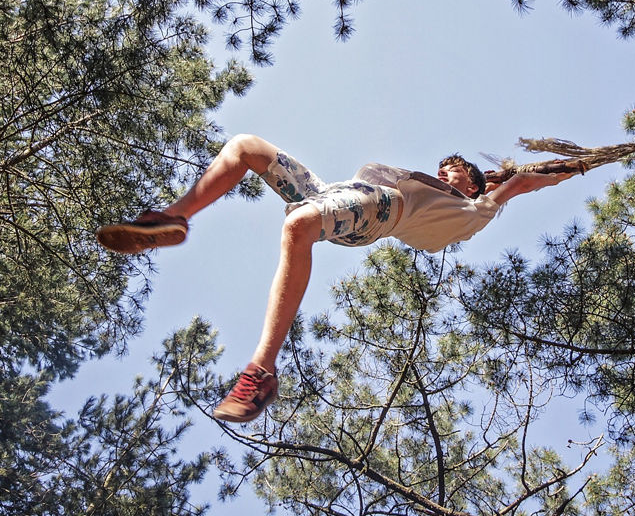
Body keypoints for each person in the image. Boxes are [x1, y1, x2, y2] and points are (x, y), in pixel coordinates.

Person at [96, 134, 576, 423]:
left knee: (297, 227)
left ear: (471, 185)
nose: (443, 173)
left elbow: (520, 184)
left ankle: (261, 371)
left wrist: (567, 169)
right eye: (442, 169)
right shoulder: (441, 190)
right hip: (335, 194)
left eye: (452, 172)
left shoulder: (474, 208)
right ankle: (173, 218)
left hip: (384, 209)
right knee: (246, 147)